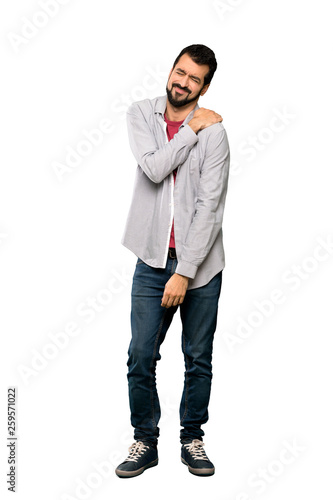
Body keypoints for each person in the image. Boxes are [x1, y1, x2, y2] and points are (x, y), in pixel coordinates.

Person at [116, 44, 230, 478]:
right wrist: (189, 131)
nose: (182, 83)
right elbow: (153, 169)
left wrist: (184, 271)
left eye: (194, 79)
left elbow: (210, 206)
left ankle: (192, 439)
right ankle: (145, 439)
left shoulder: (216, 133)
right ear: (171, 70)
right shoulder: (142, 114)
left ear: (205, 86)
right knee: (140, 354)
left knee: (197, 356)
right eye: (179, 72)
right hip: (150, 259)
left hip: (201, 267)